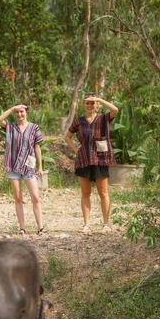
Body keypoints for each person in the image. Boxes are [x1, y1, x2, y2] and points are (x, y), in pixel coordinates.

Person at [64, 92, 119, 232]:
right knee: (85, 193)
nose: (90, 105)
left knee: (103, 193)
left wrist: (99, 98)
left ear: (97, 105)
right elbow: (67, 137)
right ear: (84, 104)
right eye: (87, 103)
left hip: (100, 159)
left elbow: (115, 110)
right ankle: (86, 224)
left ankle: (106, 224)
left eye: (93, 103)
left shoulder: (103, 119)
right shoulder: (79, 121)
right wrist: (75, 149)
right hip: (84, 160)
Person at [0, 103, 45, 234]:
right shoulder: (10, 127)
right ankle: (22, 228)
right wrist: (12, 107)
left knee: (35, 197)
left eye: (22, 112)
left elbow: (37, 147)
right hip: (13, 165)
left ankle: (40, 227)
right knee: (18, 197)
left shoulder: (34, 128)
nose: (19, 114)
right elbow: (0, 119)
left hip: (29, 166)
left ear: (27, 112)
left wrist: (40, 167)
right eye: (17, 112)